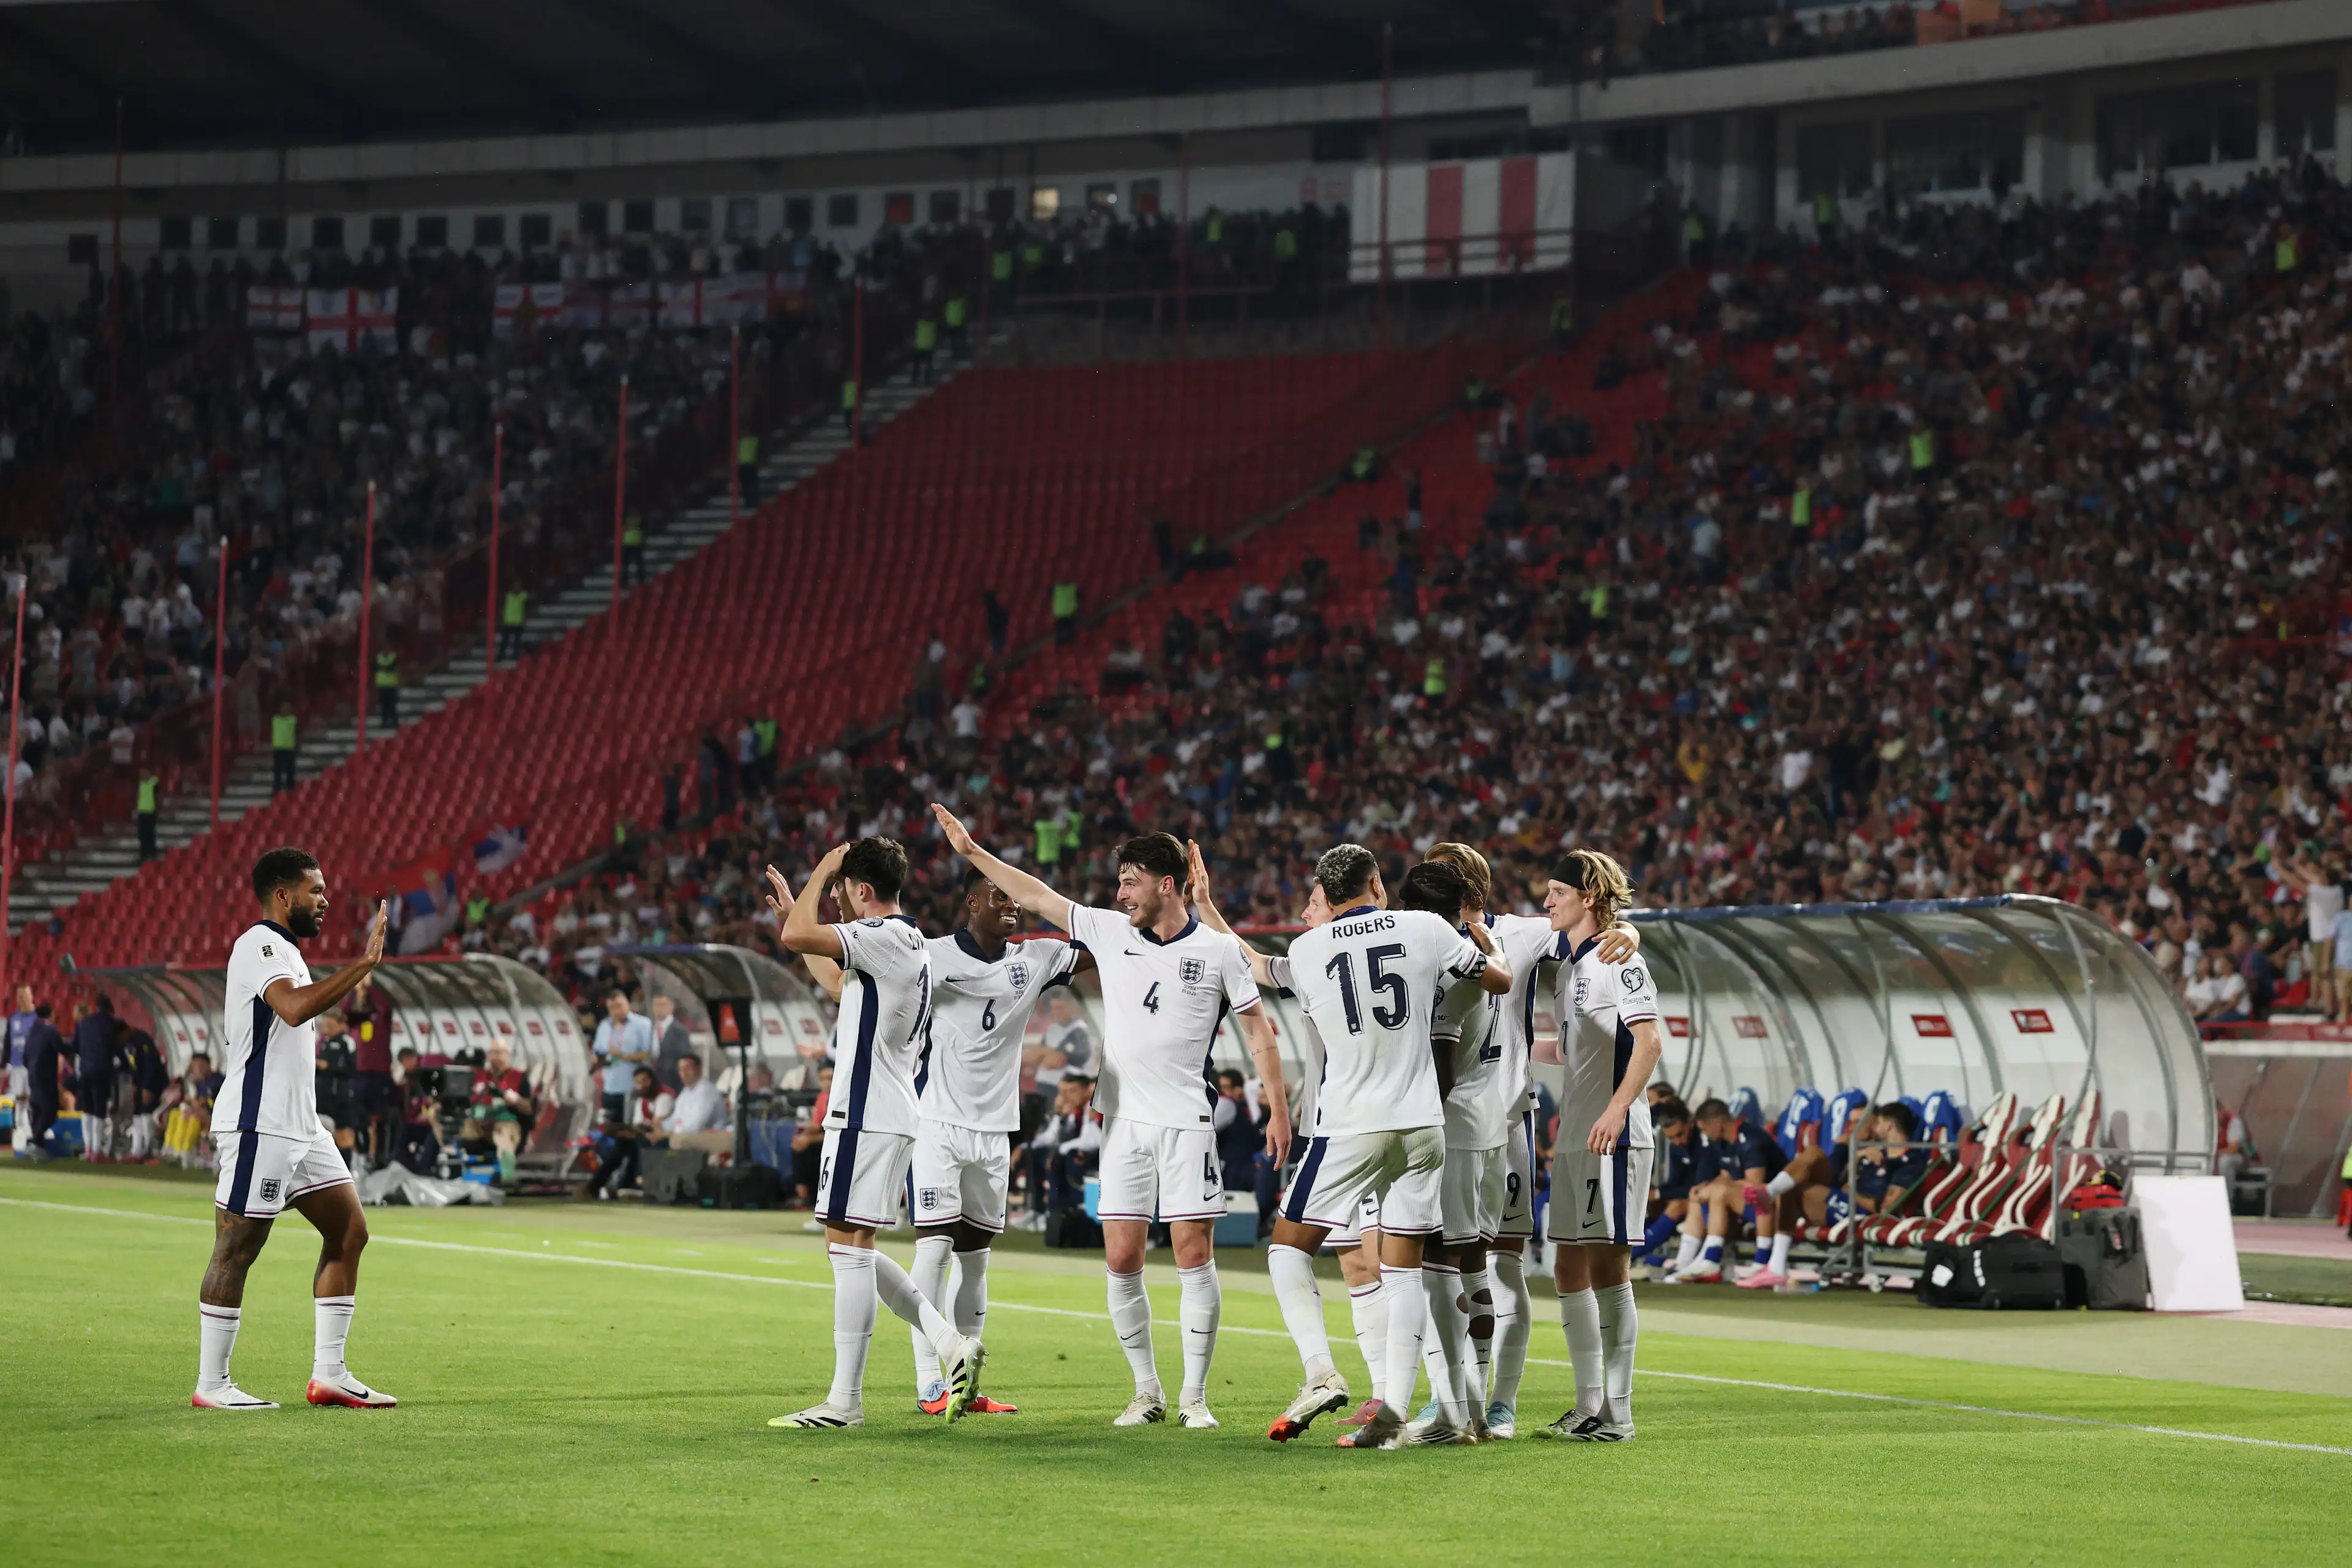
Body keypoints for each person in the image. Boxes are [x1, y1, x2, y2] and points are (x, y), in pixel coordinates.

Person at [932, 805, 1291, 1431]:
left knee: (1191, 1252)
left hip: (1185, 1118)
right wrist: (971, 851)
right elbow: (1036, 895)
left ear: (1167, 884)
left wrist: (1279, 1108)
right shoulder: (1105, 929)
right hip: (1121, 1121)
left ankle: (1195, 1397)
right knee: (1122, 1256)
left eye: (1130, 880)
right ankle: (1146, 1391)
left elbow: (1260, 1030)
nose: (1119, 892)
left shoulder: (1217, 950)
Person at [1254, 844, 1510, 1449]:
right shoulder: (1423, 927)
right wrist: (1481, 936)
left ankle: (1320, 1369)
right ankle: (1393, 1409)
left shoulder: (1309, 948)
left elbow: (1261, 968)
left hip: (1351, 1123)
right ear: (1376, 882)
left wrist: (1210, 915)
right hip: (1424, 1125)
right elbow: (1497, 978)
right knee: (1404, 1274)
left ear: (1327, 890)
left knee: (1288, 1249)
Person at [762, 837, 984, 1429]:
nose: (835, 901)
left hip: (866, 1111)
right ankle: (946, 1340)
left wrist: (820, 872)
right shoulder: (905, 944)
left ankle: (845, 1402)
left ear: (860, 889)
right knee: (853, 1246)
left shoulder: (880, 936)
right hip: (890, 1112)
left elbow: (797, 939)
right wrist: (800, 916)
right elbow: (837, 984)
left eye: (841, 890)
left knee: (844, 1249)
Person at [1433, 840, 1634, 1439]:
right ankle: (1453, 1399)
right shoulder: (1421, 941)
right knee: (1440, 1270)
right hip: (1442, 1125)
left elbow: (1599, 927)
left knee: (1503, 1267)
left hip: (1508, 1119)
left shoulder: (1525, 933)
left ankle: (1502, 1404)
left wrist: (1635, 936)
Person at [196, 846, 396, 1411]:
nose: (325, 900)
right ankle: (212, 1385)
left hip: (302, 1128)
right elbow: (292, 1008)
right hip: (260, 1124)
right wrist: (361, 966)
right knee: (237, 1248)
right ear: (283, 895)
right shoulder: (259, 945)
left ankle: (329, 1375)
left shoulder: (286, 951)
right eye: (316, 890)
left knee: (350, 1231)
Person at [905, 867, 1088, 1414]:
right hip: (939, 1123)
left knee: (977, 1259)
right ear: (970, 902)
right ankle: (929, 1385)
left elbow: (1101, 941)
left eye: (1015, 897)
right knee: (933, 1250)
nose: (1011, 904)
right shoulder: (931, 955)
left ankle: (968, 1385)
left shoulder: (1036, 957)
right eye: (999, 896)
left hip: (995, 1130)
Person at [1535, 848, 1664, 1443]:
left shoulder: (1620, 959)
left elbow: (1650, 1043)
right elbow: (1567, 1052)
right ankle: (1589, 1400)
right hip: (1577, 1136)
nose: (1546, 902)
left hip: (1613, 1135)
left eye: (1556, 892)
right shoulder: (1569, 965)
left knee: (1609, 1265)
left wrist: (1616, 1109)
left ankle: (1620, 1411)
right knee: (1566, 1261)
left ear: (1588, 897)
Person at [1667, 1095, 1787, 1283]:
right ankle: (1687, 1261)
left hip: (1778, 1209)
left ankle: (1715, 1259)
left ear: (1718, 1122)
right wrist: (1705, 1187)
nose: (1704, 1134)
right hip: (1749, 1207)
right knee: (1701, 1196)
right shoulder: (1722, 1143)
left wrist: (1718, 1187)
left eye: (1705, 1129)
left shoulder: (1750, 1139)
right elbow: (1727, 1176)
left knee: (1720, 1192)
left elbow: (1755, 1185)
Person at [459, 1036, 534, 1183]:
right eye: (494, 1052)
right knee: (461, 1123)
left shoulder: (518, 1077)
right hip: (480, 1124)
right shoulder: (478, 1077)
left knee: (504, 1133)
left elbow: (529, 1109)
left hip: (505, 1123)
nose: (497, 1057)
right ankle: (462, 1171)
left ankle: (507, 1178)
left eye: (501, 1053)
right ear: (488, 1055)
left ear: (508, 1056)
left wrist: (515, 1099)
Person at [590, 1066, 672, 1198]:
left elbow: (657, 1124)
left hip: (662, 1139)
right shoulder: (642, 1101)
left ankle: (635, 1182)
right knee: (621, 1144)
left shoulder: (664, 1098)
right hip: (646, 1137)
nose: (641, 1086)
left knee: (635, 1143)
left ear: (652, 1081)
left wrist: (636, 1133)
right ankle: (599, 1185)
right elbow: (638, 1125)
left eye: (644, 1081)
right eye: (638, 1082)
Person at [344, 978, 393, 1168]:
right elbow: (346, 1010)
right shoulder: (355, 1020)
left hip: (379, 1074)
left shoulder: (381, 1017)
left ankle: (378, 1156)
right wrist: (356, 989)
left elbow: (385, 1005)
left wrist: (369, 986)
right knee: (357, 1118)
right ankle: (360, 1154)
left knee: (378, 1118)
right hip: (358, 1074)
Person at [591, 989, 654, 1122]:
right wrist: (595, 1059)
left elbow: (650, 1055)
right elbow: (597, 1051)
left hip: (632, 1089)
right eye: (612, 1008)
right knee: (609, 1132)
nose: (616, 1011)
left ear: (628, 1004)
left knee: (629, 1132)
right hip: (609, 1088)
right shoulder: (604, 1026)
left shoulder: (643, 1024)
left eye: (619, 1006)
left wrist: (623, 1056)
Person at [73, 994, 120, 1159]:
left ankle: (88, 1149)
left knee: (87, 1110)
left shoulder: (83, 1023)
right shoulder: (111, 1024)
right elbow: (116, 1049)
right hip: (102, 1071)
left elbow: (75, 1047)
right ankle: (97, 1151)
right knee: (99, 1110)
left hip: (85, 1070)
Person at [663, 1052, 731, 1154]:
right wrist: (659, 1127)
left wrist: (668, 1133)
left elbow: (696, 1126)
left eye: (688, 1068)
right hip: (688, 1137)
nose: (684, 1073)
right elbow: (676, 1120)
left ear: (699, 1070)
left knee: (675, 1141)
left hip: (710, 1137)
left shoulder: (706, 1090)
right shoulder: (686, 1092)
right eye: (681, 1069)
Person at [1029, 989, 1096, 1091]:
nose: (1056, 1012)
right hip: (1043, 1084)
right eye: (1054, 1009)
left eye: (1060, 1008)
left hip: (1064, 1089)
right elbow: (1033, 1057)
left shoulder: (1079, 1031)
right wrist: (1046, 1054)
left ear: (1070, 1007)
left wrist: (1046, 1054)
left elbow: (1057, 1060)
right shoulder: (1052, 1029)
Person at [649, 994, 695, 1092]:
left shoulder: (680, 1031)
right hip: (652, 1085)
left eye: (663, 1005)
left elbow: (685, 1059)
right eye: (656, 1005)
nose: (659, 1008)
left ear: (671, 1008)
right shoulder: (649, 1028)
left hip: (672, 1085)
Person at [271, 704, 298, 793]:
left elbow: (297, 732)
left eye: (287, 709)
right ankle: (277, 786)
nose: (285, 710)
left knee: (290, 769)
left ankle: (290, 786)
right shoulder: (275, 719)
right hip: (278, 748)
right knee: (278, 769)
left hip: (289, 748)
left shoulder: (292, 720)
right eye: (284, 709)